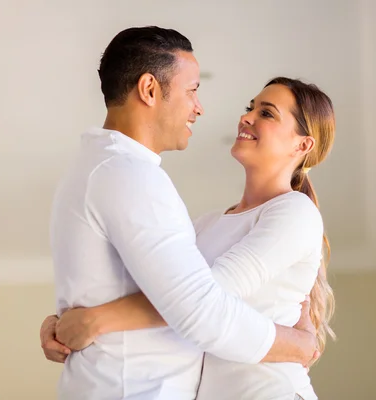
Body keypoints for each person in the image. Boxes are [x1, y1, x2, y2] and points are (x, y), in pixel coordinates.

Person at [39, 26, 320, 400]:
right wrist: (297, 345)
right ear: (150, 90)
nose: (200, 107)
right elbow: (195, 302)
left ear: (303, 144)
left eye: (266, 112)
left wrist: (92, 319)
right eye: (193, 91)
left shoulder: (114, 172)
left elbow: (190, 297)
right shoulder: (132, 178)